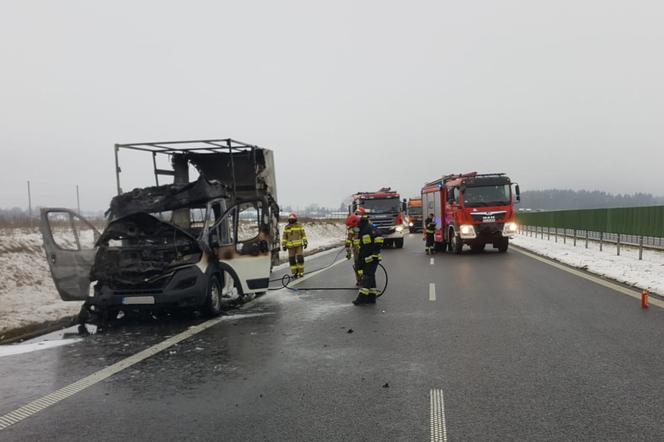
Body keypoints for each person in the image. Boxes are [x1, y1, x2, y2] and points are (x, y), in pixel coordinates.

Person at [349, 214, 384, 305]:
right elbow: (363, 247)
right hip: (367, 257)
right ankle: (371, 297)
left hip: (372, 257)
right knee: (370, 276)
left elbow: (379, 237)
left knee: (367, 277)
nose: (354, 229)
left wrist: (375, 252)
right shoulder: (362, 229)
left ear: (357, 223)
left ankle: (362, 298)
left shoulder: (368, 228)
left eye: (354, 227)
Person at [282, 213, 307, 278]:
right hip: (290, 247)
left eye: (292, 219)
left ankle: (301, 272)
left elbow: (303, 234)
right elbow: (284, 237)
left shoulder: (299, 226)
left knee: (300, 259)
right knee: (292, 260)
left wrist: (305, 242)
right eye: (290, 219)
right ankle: (295, 273)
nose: (291, 220)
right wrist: (284, 245)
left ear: (295, 219)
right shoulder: (286, 227)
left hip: (299, 246)